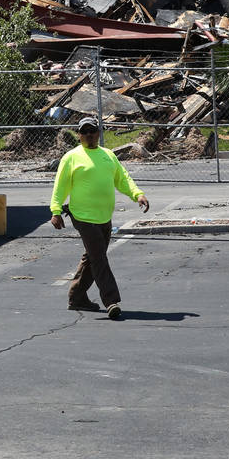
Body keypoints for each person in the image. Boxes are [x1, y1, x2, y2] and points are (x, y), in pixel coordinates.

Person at [49, 116, 149, 320]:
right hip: (82, 216)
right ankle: (111, 300)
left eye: (92, 131)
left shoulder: (108, 156)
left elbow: (122, 179)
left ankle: (77, 297)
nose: (88, 135)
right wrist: (56, 210)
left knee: (93, 257)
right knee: (99, 258)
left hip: (104, 216)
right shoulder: (71, 157)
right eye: (84, 132)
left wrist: (137, 194)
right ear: (79, 135)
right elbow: (60, 185)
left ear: (99, 132)